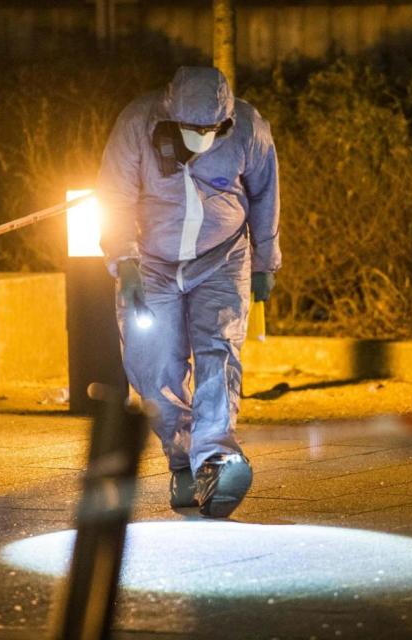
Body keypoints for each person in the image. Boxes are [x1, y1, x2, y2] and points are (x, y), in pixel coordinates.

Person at [96, 66, 281, 518]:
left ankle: (216, 460)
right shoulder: (137, 126)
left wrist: (265, 261)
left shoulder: (248, 129)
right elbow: (114, 198)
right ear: (170, 114)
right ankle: (182, 461)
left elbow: (265, 194)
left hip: (222, 259)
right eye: (193, 129)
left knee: (218, 353)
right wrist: (125, 262)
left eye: (211, 129)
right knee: (153, 362)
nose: (203, 136)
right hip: (152, 266)